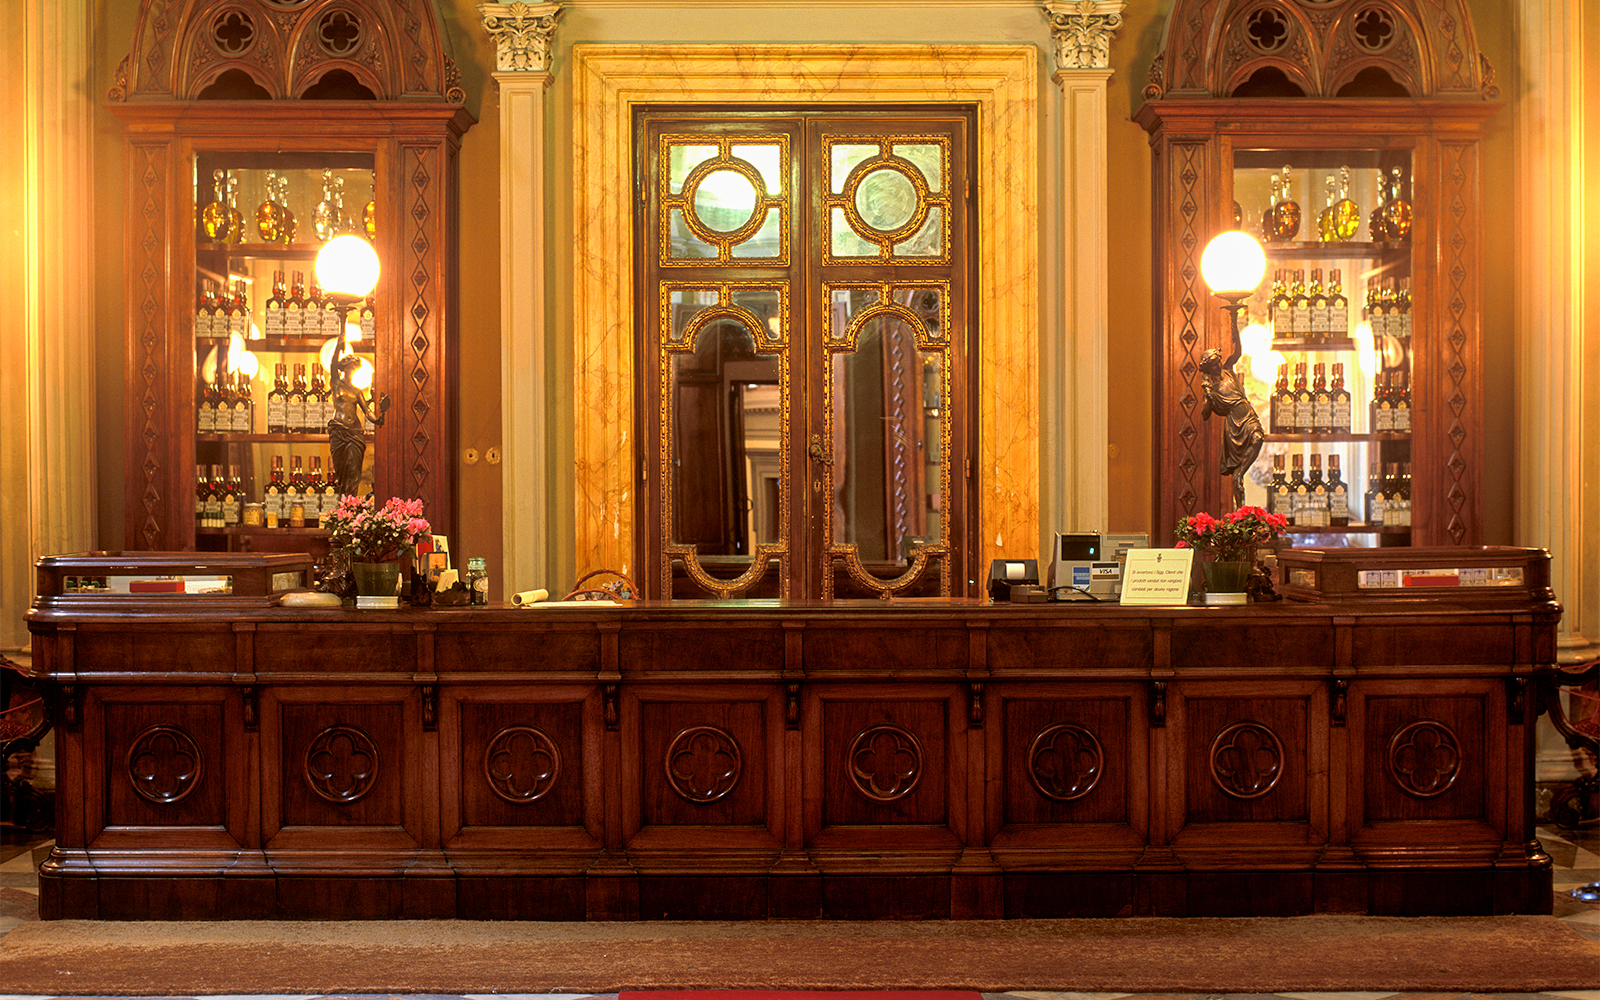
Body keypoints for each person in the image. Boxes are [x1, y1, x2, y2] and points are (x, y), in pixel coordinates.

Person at [1198, 342, 1264, 512]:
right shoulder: (1211, 387)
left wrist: (1234, 321)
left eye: (1218, 361)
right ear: (1208, 369)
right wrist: (1207, 395)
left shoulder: (1228, 370)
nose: (1218, 365)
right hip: (1234, 424)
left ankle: (1240, 473)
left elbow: (1237, 352)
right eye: (1214, 365)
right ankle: (1239, 503)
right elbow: (1205, 415)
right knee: (1236, 470)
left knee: (1258, 439)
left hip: (1248, 415)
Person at [327, 353, 390, 497]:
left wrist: (377, 419)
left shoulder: (357, 390)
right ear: (343, 369)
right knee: (341, 470)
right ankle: (344, 506)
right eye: (350, 368)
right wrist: (340, 341)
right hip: (338, 430)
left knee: (353, 469)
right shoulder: (336, 383)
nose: (352, 371)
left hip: (354, 433)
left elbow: (367, 411)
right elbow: (332, 363)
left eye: (354, 369)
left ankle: (351, 505)